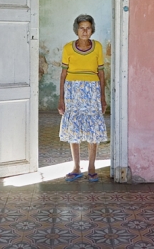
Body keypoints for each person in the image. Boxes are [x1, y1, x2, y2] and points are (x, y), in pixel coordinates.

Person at [58, 14, 108, 182]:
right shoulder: (67, 48)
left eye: (88, 28)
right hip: (73, 92)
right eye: (81, 28)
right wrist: (61, 99)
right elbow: (63, 74)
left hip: (92, 91)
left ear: (92, 30)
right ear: (76, 30)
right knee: (73, 128)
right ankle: (76, 167)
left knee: (93, 128)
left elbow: (101, 73)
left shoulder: (98, 47)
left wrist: (102, 97)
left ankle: (92, 167)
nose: (85, 31)